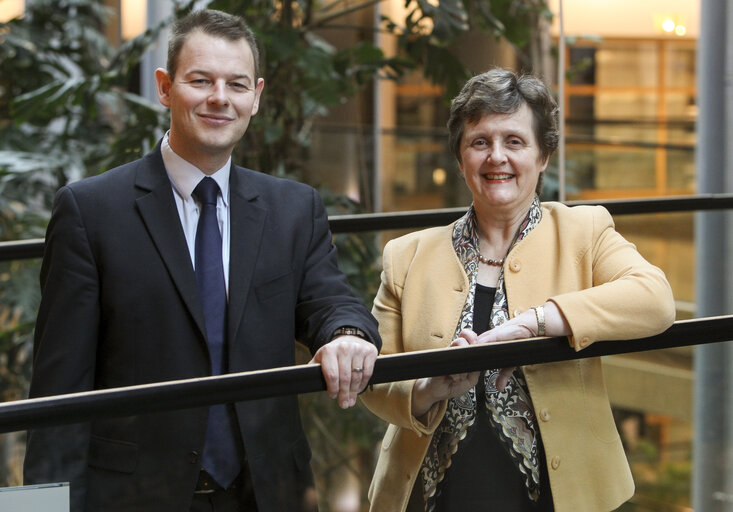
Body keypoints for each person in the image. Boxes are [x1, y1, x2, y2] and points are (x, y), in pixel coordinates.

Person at [23, 9, 380, 512]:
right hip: (134, 498)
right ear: (166, 88)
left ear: (255, 96)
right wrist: (35, 508)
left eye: (236, 84)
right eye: (200, 80)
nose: (220, 98)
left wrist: (349, 334)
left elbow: (331, 301)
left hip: (268, 493)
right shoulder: (90, 210)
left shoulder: (294, 208)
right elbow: (56, 397)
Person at [360, 68, 676, 512]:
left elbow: (655, 300)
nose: (496, 157)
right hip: (433, 493)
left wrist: (536, 323)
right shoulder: (405, 255)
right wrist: (427, 389)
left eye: (514, 141)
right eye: (479, 142)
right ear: (460, 157)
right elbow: (374, 378)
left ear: (543, 156)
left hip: (557, 494)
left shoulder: (584, 230)